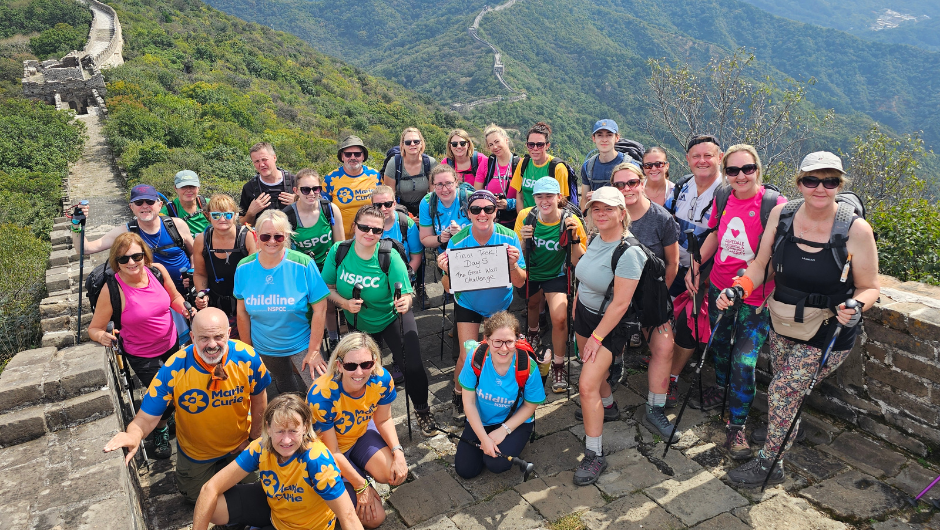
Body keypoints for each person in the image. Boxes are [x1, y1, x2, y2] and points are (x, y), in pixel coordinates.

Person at [722, 151, 878, 486]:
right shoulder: (783, 215)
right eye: (811, 180)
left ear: (839, 185)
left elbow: (870, 287)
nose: (820, 188)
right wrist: (739, 288)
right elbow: (761, 265)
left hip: (828, 331)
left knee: (781, 390)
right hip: (783, 323)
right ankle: (790, 426)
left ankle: (770, 465)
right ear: (799, 183)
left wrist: (856, 304)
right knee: (787, 389)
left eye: (830, 181)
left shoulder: (856, 230)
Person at [684, 145, 787, 459]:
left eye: (747, 169)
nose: (741, 176)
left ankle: (736, 425)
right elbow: (717, 232)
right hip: (718, 286)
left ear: (757, 168)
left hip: (756, 297)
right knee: (718, 345)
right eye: (733, 170)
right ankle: (721, 387)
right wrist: (696, 263)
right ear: (725, 173)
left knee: (745, 359)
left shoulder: (775, 204)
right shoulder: (723, 197)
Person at [103, 308, 268, 502]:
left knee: (259, 493)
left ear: (229, 334)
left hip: (241, 444)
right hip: (196, 452)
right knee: (196, 500)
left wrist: (254, 438)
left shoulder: (248, 358)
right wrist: (133, 435)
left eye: (218, 336)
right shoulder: (175, 368)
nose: (212, 344)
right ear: (192, 336)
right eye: (204, 338)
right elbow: (146, 417)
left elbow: (260, 400)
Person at [320, 205, 438, 437]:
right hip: (357, 319)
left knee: (411, 365)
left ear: (382, 232)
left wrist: (405, 301)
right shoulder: (339, 251)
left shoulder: (388, 256)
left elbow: (406, 294)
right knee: (361, 371)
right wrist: (343, 304)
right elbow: (327, 287)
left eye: (376, 230)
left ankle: (423, 410)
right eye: (364, 227)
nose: (369, 233)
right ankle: (365, 419)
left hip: (391, 317)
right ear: (354, 227)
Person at [89, 232, 196, 459]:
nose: (131, 262)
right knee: (164, 393)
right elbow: (94, 328)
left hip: (170, 343)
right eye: (123, 259)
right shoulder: (112, 290)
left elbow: (174, 297)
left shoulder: (157, 271)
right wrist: (102, 337)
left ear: (144, 255)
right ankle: (160, 429)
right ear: (115, 262)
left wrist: (187, 309)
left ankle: (165, 419)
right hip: (142, 354)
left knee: (179, 388)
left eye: (136, 256)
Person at [193, 393, 361, 530]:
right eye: (280, 431)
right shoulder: (260, 447)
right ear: (268, 428)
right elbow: (210, 488)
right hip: (276, 513)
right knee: (212, 507)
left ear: (305, 427)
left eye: (293, 431)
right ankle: (238, 523)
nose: (286, 440)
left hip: (308, 527)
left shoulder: (316, 459)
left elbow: (347, 515)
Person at [571, 187, 646, 486]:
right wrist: (577, 304)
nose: (601, 214)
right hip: (585, 315)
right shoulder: (597, 239)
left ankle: (594, 454)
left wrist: (596, 338)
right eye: (595, 209)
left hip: (609, 325)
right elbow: (585, 276)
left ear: (621, 213)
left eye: (608, 209)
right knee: (594, 375)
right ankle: (610, 407)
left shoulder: (629, 253)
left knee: (586, 385)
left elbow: (620, 304)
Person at [437, 190, 527, 421]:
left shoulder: (509, 237)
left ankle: (497, 394)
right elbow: (447, 287)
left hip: (500, 303)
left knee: (501, 352)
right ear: (468, 213)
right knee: (467, 354)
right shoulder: (458, 241)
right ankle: (459, 394)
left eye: (488, 209)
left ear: (496, 212)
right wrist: (446, 270)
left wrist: (513, 264)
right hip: (468, 303)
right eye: (476, 209)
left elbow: (520, 281)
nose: (482, 213)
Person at [609, 163, 682, 439]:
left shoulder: (660, 218)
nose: (626, 189)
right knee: (610, 340)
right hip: (616, 293)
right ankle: (614, 370)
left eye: (631, 183)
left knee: (664, 348)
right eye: (619, 185)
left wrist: (659, 299)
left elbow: (672, 263)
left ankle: (655, 409)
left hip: (650, 294)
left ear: (642, 183)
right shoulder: (609, 214)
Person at [306, 333, 406, 529]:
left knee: (393, 474)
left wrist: (398, 452)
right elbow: (332, 451)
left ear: (375, 361)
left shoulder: (382, 380)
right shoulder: (322, 396)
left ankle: (356, 475)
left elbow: (383, 418)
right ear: (339, 365)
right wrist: (361, 485)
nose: (359, 372)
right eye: (351, 366)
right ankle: (352, 480)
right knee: (375, 519)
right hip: (327, 453)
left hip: (358, 436)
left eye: (366, 365)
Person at [234, 210, 329, 396]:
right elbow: (242, 312)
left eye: (278, 236)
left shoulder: (304, 264)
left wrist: (315, 350)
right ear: (256, 235)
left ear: (286, 236)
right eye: (265, 235)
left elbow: (321, 309)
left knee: (321, 393)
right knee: (285, 383)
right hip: (265, 347)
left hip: (302, 343)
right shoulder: (244, 267)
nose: (271, 241)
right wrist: (249, 351)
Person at [664, 135, 724, 408]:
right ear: (687, 159)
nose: (702, 161)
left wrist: (701, 272)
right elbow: (665, 222)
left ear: (719, 157)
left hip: (707, 274)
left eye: (708, 155)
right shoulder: (681, 187)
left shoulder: (727, 193)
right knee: (665, 313)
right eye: (696, 156)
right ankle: (664, 359)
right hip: (677, 265)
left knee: (691, 323)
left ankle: (672, 377)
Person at [515, 177, 586, 393]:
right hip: (532, 271)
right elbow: (516, 256)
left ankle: (558, 364)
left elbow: (579, 262)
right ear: (534, 197)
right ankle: (534, 334)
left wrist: (573, 238)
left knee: (560, 318)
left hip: (557, 274)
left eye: (549, 196)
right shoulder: (525, 217)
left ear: (559, 197)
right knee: (532, 306)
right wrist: (523, 242)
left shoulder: (571, 220)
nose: (544, 201)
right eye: (539, 196)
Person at [456, 311, 546, 478]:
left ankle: (515, 440)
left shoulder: (527, 366)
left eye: (509, 342)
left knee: (496, 464)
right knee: (465, 470)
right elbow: (468, 403)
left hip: (514, 421)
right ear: (487, 339)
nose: (504, 348)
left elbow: (530, 405)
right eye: (497, 342)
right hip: (481, 420)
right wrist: (484, 438)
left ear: (517, 339)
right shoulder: (475, 357)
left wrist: (504, 430)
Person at [72, 183, 195, 293]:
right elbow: (85, 248)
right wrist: (76, 223)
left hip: (186, 291)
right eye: (139, 203)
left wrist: (192, 273)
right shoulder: (125, 232)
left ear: (159, 205)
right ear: (131, 207)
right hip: (150, 297)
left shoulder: (177, 225)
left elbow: (195, 253)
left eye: (150, 202)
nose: (145, 206)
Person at [284, 169, 345, 348]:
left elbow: (339, 246)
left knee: (330, 303)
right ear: (296, 191)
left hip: (328, 265)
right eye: (305, 189)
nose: (311, 193)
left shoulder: (330, 209)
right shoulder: (288, 216)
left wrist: (334, 274)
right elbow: (287, 252)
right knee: (308, 308)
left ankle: (334, 338)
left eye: (316, 189)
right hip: (303, 268)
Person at [192, 194, 258, 338]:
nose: (222, 219)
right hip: (216, 301)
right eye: (216, 215)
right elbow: (200, 273)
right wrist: (202, 293)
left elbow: (256, 273)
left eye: (227, 214)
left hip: (244, 301)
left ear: (235, 215)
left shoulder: (246, 237)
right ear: (208, 216)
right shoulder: (202, 240)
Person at [323, 135, 383, 238]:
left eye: (357, 154)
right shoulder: (330, 179)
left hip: (369, 237)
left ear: (363, 156)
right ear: (342, 156)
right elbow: (321, 209)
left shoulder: (375, 176)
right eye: (348, 154)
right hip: (340, 239)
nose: (353, 157)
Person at [511, 122, 571, 212]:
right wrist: (522, 218)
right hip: (526, 219)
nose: (535, 148)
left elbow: (561, 202)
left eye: (540, 145)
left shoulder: (557, 168)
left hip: (548, 220)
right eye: (531, 144)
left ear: (547, 146)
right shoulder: (523, 163)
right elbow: (519, 196)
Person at [240, 142, 297, 227]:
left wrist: (299, 203)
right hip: (264, 238)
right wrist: (251, 213)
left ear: (274, 158)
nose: (261, 165)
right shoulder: (249, 188)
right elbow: (242, 224)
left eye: (264, 159)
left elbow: (317, 210)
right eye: (256, 161)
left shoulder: (295, 182)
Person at [383, 127, 437, 216]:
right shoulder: (394, 164)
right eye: (408, 142)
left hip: (424, 208)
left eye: (416, 141)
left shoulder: (430, 163)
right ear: (402, 145)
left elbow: (433, 196)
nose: (412, 144)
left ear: (421, 144)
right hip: (399, 210)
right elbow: (389, 198)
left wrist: (423, 215)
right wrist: (407, 217)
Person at [418, 164, 472, 253]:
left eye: (448, 183)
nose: (444, 190)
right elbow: (425, 239)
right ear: (433, 186)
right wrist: (440, 239)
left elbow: (485, 233)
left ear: (456, 182)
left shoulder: (470, 199)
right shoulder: (428, 202)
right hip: (445, 255)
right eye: (439, 184)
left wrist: (462, 234)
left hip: (471, 252)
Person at [579, 119, 632, 203]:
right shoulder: (588, 166)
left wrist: (599, 196)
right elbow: (584, 200)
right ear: (594, 138)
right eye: (600, 135)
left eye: (609, 135)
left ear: (617, 138)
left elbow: (634, 196)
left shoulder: (629, 165)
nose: (604, 140)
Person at [481, 124, 521, 229]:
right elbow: (477, 194)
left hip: (514, 223)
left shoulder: (520, 164)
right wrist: (489, 200)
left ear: (506, 140)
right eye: (490, 144)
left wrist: (509, 204)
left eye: (497, 142)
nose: (495, 147)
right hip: (489, 222)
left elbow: (528, 198)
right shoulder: (486, 164)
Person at [161, 169, 210, 235]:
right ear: (175, 188)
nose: (188, 190)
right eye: (183, 187)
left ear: (198, 187)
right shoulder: (168, 210)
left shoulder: (210, 204)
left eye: (192, 187)